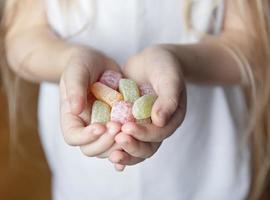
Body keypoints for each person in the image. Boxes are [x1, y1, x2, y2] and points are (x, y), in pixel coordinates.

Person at [3, 0, 270, 199]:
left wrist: (177, 60)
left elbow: (253, 46)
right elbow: (23, 36)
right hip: (86, 177)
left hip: (205, 169)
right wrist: (70, 61)